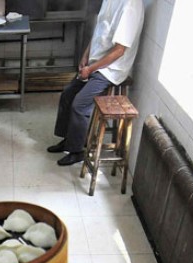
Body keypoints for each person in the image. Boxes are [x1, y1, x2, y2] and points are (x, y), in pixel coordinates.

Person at [47, 0, 146, 167]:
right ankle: (69, 140)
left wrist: (91, 68)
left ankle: (77, 150)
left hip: (110, 69)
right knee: (68, 94)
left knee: (80, 104)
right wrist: (85, 55)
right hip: (95, 63)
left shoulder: (131, 5)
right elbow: (99, 31)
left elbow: (119, 51)